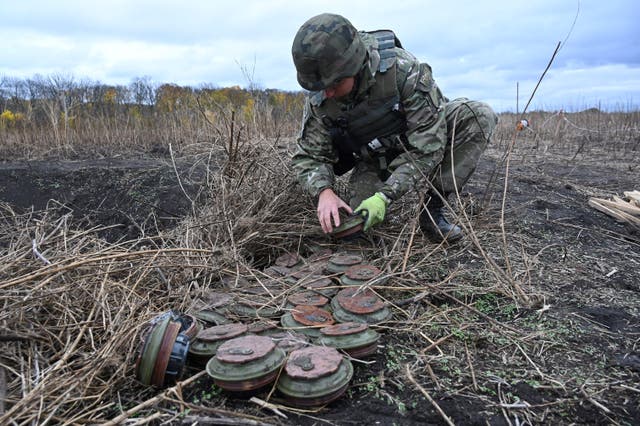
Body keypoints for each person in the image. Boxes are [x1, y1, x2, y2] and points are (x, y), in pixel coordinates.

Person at [291, 13, 498, 242]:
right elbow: (309, 156)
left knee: (478, 116)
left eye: (334, 83)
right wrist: (324, 191)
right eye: (321, 86)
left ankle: (433, 210)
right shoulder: (320, 100)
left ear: (355, 65)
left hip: (419, 140)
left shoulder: (402, 70)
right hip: (376, 157)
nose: (327, 93)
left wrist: (386, 195)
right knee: (359, 226)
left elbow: (429, 145)